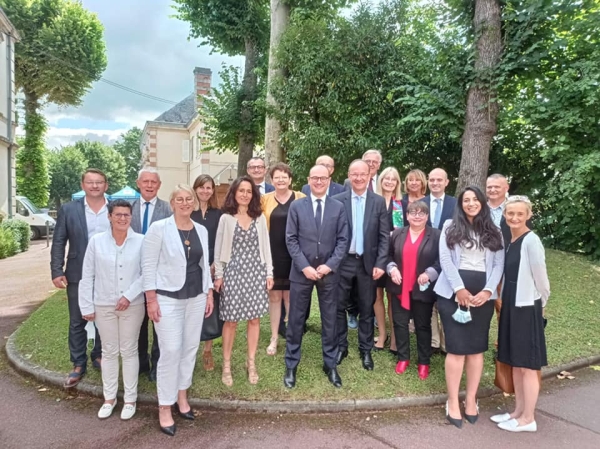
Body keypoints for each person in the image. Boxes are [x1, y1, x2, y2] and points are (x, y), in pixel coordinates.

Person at [142, 184, 214, 436]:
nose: (185, 203)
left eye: (188, 199)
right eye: (179, 199)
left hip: (196, 297)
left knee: (190, 348)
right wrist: (150, 299)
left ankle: (182, 396)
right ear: (172, 203)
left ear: (194, 203)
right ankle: (164, 406)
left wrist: (209, 293)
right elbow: (148, 266)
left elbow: (205, 264)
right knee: (170, 350)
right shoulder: (159, 229)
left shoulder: (202, 230)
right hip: (167, 298)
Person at [434, 186, 504, 428]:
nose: (471, 203)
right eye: (466, 200)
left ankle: (471, 399)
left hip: (482, 296)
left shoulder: (494, 231)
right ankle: (452, 401)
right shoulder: (449, 227)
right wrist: (459, 289)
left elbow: (498, 264)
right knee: (457, 349)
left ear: (482, 202)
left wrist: (487, 291)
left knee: (476, 349)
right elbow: (445, 260)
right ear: (461, 204)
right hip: (453, 293)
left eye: (475, 199)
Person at [79, 199, 145, 420]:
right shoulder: (96, 242)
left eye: (126, 215)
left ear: (131, 217)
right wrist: (86, 305)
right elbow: (87, 275)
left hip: (132, 305)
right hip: (104, 305)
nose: (122, 218)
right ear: (109, 216)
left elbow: (147, 273)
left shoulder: (142, 242)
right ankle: (109, 398)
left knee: (129, 350)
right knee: (108, 351)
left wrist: (129, 295)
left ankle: (130, 399)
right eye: (118, 214)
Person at [283, 165, 348, 388]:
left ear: (329, 180)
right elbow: (290, 239)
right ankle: (291, 364)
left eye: (323, 178)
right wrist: (304, 266)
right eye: (314, 178)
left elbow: (343, 240)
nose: (318, 182)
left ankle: (330, 364)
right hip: (302, 273)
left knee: (330, 321)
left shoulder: (338, 207)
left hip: (328, 274)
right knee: (296, 320)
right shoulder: (296, 206)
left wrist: (329, 266)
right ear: (308, 180)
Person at [492, 196, 550, 433]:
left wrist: (540, 303)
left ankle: (529, 418)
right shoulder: (511, 240)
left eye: (519, 214)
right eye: (510, 214)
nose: (514, 218)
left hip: (526, 308)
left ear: (528, 215)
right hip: (511, 305)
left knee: (527, 364)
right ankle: (517, 411)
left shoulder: (531, 240)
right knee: (515, 361)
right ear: (505, 215)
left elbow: (541, 278)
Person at [213, 176, 273, 387]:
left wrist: (269, 273)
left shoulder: (259, 218)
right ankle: (227, 365)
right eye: (241, 191)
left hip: (255, 273)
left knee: (254, 320)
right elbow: (219, 249)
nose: (245, 194)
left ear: (253, 195)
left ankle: (251, 362)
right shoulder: (226, 218)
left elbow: (266, 247)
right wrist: (219, 275)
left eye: (249, 191)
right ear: (234, 193)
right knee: (231, 321)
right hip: (233, 273)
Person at [51, 168, 108, 388]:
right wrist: (57, 269)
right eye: (90, 182)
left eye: (99, 182)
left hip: (107, 274)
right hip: (77, 272)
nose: (95, 186)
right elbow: (59, 242)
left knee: (104, 317)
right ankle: (78, 363)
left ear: (106, 185)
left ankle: (99, 355)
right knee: (77, 319)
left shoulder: (114, 209)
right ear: (83, 185)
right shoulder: (69, 210)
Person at [333, 160, 389, 371]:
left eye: (362, 174)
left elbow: (384, 237)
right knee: (339, 306)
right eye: (354, 174)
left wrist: (381, 263)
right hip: (343, 262)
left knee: (367, 307)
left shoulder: (378, 201)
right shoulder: (338, 200)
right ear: (349, 175)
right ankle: (341, 346)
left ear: (369, 176)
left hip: (368, 263)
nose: (358, 178)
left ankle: (366, 349)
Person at [387, 200, 441, 380]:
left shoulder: (437, 235)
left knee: (423, 326)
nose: (417, 216)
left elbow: (442, 261)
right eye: (413, 213)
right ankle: (403, 358)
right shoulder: (397, 234)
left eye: (421, 213)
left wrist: (430, 273)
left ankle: (423, 362)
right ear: (407, 216)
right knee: (400, 324)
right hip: (399, 287)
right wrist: (392, 268)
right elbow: (387, 255)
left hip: (422, 288)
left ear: (427, 216)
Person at [130, 167, 172, 382]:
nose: (149, 185)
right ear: (138, 183)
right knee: (138, 322)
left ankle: (157, 365)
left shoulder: (168, 209)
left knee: (158, 323)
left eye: (153, 182)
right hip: (133, 275)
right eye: (145, 181)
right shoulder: (128, 209)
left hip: (159, 275)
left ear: (159, 185)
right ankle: (141, 363)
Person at [261, 163, 306, 356]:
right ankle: (274, 337)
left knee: (291, 297)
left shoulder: (301, 198)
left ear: (290, 179)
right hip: (272, 254)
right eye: (277, 177)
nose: (280, 180)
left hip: (294, 254)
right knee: (274, 296)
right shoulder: (264, 199)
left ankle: (291, 335)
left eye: (284, 176)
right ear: (272, 180)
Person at [191, 174, 223, 372]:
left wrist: (215, 264)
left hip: (213, 266)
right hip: (192, 266)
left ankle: (207, 350)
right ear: (195, 189)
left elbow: (222, 241)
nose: (205, 191)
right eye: (201, 187)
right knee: (193, 306)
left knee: (211, 309)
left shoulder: (218, 214)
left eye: (209, 187)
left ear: (212, 190)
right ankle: (190, 348)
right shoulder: (188, 212)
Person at [424, 168, 457, 356]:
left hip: (449, 259)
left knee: (445, 301)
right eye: (432, 180)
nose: (435, 183)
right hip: (426, 259)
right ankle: (434, 341)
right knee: (428, 301)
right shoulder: (421, 203)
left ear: (446, 182)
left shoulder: (455, 204)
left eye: (439, 180)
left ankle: (446, 343)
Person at [373, 167, 404, 354]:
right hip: (375, 256)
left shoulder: (402, 203)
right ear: (381, 180)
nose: (390, 181)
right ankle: (382, 334)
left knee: (393, 298)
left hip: (395, 257)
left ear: (397, 183)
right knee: (376, 296)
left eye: (394, 179)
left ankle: (394, 336)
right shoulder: (373, 201)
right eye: (386, 178)